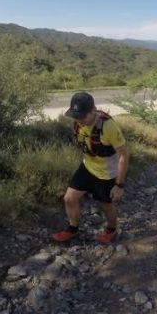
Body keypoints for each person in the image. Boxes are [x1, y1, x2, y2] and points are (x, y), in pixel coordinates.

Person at [52, 92, 130, 244]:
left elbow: (124, 155)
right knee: (69, 198)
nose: (79, 120)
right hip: (88, 167)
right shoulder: (77, 122)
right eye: (76, 116)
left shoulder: (109, 127)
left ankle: (111, 230)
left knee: (105, 205)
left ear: (93, 110)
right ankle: (72, 229)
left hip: (107, 173)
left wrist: (119, 185)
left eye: (83, 117)